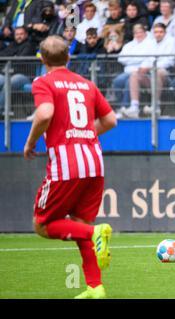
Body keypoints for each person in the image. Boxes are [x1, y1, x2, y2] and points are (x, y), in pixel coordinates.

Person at [23, 35, 117, 298]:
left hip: (67, 164)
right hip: (94, 161)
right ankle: (95, 288)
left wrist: (30, 143)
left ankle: (95, 232)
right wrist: (84, 134)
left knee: (42, 224)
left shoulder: (43, 81)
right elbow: (110, 120)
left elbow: (44, 114)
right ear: (69, 57)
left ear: (41, 59)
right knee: (79, 223)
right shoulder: (87, 84)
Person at [126, 23, 175, 117]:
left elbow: (169, 61)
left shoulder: (171, 41)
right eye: (156, 32)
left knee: (158, 71)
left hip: (167, 74)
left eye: (161, 32)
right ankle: (134, 107)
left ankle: (155, 106)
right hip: (151, 75)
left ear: (165, 33)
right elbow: (148, 59)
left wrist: (150, 67)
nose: (158, 34)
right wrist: (142, 68)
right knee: (134, 74)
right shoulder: (151, 42)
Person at [113, 23, 152, 116]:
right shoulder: (129, 45)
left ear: (145, 32)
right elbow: (121, 58)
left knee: (128, 83)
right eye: (136, 33)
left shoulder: (150, 43)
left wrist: (130, 60)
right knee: (117, 81)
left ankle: (125, 108)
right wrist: (137, 59)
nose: (138, 35)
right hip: (128, 71)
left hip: (141, 73)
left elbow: (148, 59)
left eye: (140, 32)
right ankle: (120, 108)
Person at [0, 27, 36, 115]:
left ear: (26, 35)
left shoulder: (30, 45)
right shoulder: (12, 45)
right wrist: (14, 56)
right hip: (7, 74)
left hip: (24, 76)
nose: (19, 36)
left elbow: (20, 60)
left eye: (21, 34)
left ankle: (0, 110)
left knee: (10, 82)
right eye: (17, 34)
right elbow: (2, 56)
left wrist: (11, 57)